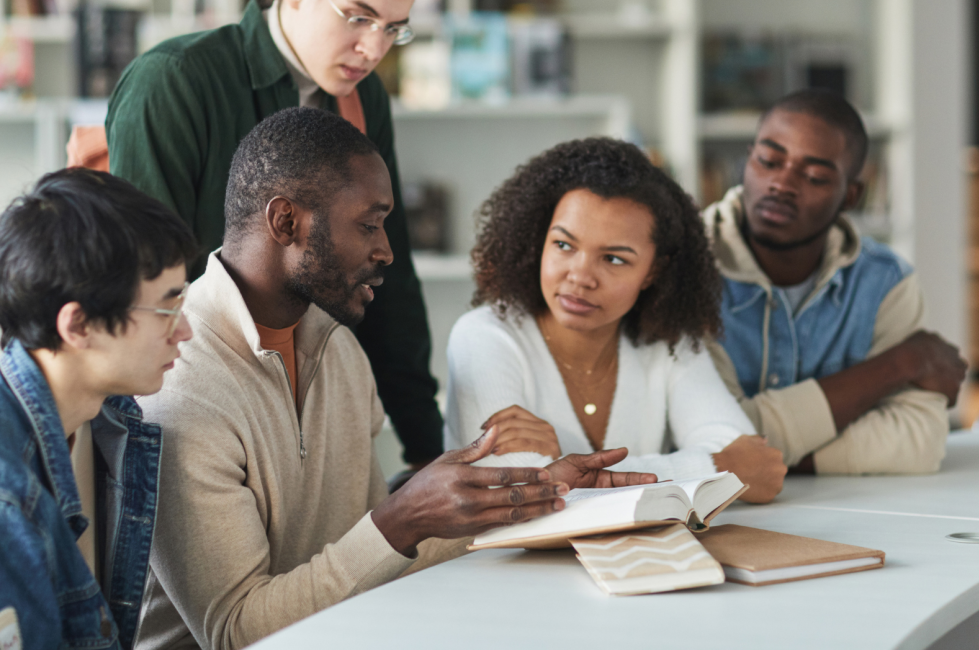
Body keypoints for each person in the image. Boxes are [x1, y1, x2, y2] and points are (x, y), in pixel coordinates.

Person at [136, 108, 655, 650]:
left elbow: (365, 562)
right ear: (286, 222)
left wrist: (533, 495)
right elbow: (234, 631)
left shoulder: (338, 349)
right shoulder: (178, 381)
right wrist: (401, 520)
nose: (386, 250)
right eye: (369, 224)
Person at [105, 0, 441, 473]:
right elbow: (146, 290)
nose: (373, 48)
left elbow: (391, 274)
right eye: (358, 17)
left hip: (317, 405)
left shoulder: (364, 98)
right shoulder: (176, 81)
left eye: (394, 28)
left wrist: (428, 450)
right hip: (195, 411)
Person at [444, 137, 787, 503]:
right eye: (563, 245)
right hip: (499, 562)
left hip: (643, 559)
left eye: (614, 259)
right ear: (537, 239)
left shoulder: (666, 342)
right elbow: (521, 497)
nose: (580, 276)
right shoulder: (484, 336)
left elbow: (757, 470)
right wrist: (711, 466)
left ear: (653, 271)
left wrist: (565, 465)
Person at [703, 89, 968, 475]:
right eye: (769, 160)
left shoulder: (885, 282)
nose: (782, 184)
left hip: (846, 513)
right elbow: (716, 439)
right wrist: (901, 363)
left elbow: (919, 438)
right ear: (748, 159)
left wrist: (767, 460)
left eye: (814, 176)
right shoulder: (686, 266)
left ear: (851, 195)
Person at [0, 169, 197, 650]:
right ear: (79, 324)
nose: (186, 329)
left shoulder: (113, 421)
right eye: (167, 309)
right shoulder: (8, 496)